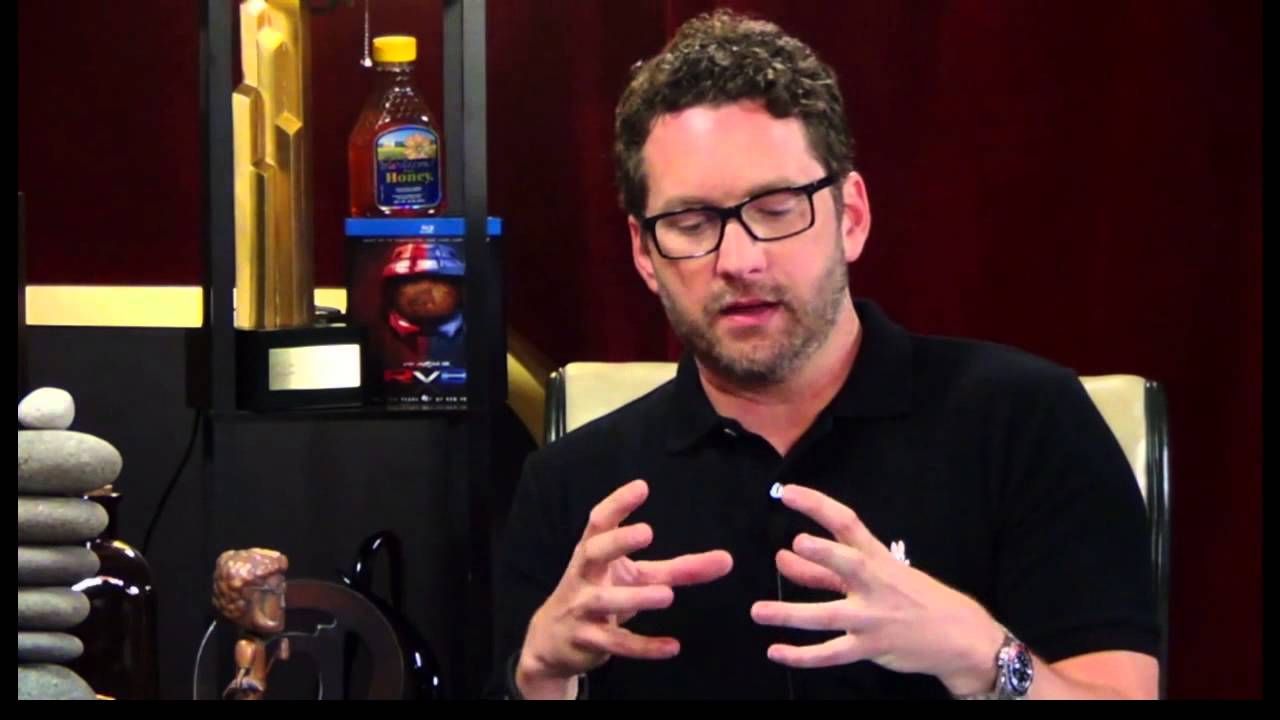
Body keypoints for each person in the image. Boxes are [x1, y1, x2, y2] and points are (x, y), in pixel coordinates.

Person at [491, 9, 1159, 700]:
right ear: (644, 253)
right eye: (691, 223)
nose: (739, 260)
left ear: (852, 217)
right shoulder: (573, 488)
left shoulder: (1026, 421)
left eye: (778, 209)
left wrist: (980, 655)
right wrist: (539, 676)